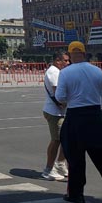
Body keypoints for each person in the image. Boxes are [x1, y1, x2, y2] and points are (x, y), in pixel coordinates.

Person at [56, 41, 102, 203]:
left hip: (75, 115)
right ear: (84, 53)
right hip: (94, 115)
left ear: (69, 54)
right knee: (101, 157)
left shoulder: (66, 73)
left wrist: (73, 97)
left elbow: (60, 97)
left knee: (75, 158)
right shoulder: (96, 71)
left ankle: (76, 194)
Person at [41, 51, 70, 181]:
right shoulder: (54, 72)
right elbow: (58, 92)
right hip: (55, 112)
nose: (68, 63)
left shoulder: (58, 72)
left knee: (65, 139)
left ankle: (60, 164)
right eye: (66, 60)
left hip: (59, 111)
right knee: (56, 140)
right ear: (58, 60)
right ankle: (48, 169)